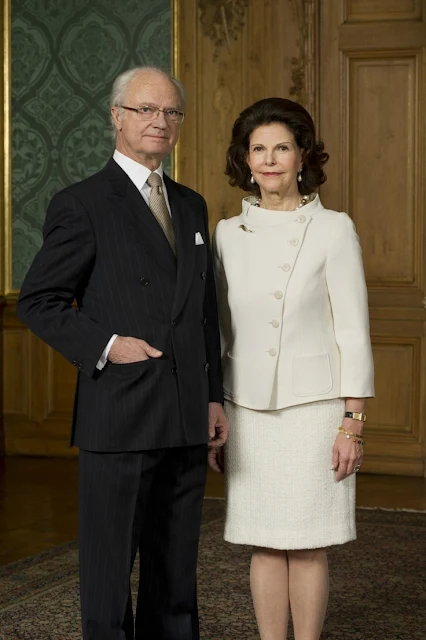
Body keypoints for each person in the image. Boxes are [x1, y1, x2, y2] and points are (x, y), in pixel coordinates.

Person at [17, 66, 228, 640]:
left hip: (186, 413)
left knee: (176, 570)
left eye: (171, 112)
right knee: (110, 571)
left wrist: (214, 397)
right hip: (121, 412)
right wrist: (107, 344)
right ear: (116, 116)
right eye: (145, 110)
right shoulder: (82, 203)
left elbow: (204, 312)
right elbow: (38, 301)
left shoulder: (190, 205)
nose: (159, 121)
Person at [211, 97, 374, 640]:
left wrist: (353, 421)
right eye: (258, 149)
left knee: (307, 543)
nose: (270, 159)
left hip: (314, 410)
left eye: (282, 147)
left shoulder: (333, 229)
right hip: (249, 408)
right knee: (262, 540)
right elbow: (217, 333)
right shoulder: (226, 235)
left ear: (302, 155)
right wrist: (215, 409)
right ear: (246, 159)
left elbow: (352, 329)